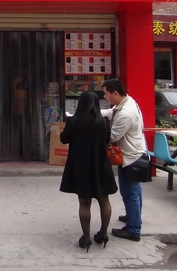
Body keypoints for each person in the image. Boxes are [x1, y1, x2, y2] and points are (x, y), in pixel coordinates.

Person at [59, 91, 118, 252]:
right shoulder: (103, 121)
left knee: (84, 202)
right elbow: (107, 140)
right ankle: (103, 234)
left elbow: (64, 138)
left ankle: (86, 238)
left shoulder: (74, 121)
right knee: (104, 200)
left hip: (80, 166)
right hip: (101, 165)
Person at [101, 78, 147, 242]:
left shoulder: (126, 113)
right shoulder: (125, 103)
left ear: (115, 93)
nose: (105, 97)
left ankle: (133, 229)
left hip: (130, 157)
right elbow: (111, 112)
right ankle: (134, 217)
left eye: (106, 94)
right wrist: (94, 112)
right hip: (133, 153)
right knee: (135, 191)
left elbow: (112, 137)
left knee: (130, 193)